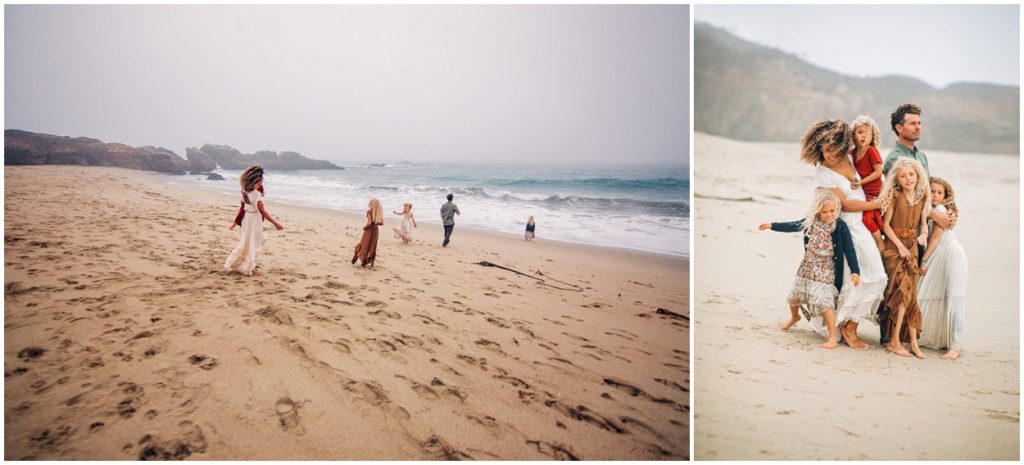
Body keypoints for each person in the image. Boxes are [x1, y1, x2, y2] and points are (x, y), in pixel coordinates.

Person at [803, 119, 887, 349]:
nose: (830, 154)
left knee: (870, 276)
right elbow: (847, 204)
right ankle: (848, 330)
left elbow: (872, 175)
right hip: (848, 228)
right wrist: (880, 204)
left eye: (834, 148)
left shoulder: (850, 157)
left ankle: (849, 326)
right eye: (825, 149)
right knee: (865, 276)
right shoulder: (822, 172)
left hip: (863, 225)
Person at [878, 103, 953, 344]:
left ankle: (904, 335)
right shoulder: (894, 159)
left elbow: (926, 194)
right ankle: (888, 337)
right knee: (896, 283)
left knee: (913, 283)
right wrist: (935, 216)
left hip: (920, 230)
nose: (918, 127)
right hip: (899, 229)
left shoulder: (921, 156)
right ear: (899, 128)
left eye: (920, 123)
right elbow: (904, 195)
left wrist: (944, 213)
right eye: (913, 123)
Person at [759, 189, 860, 349]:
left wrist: (855, 271)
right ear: (817, 210)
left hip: (826, 268)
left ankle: (832, 337)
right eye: (824, 211)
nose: (828, 215)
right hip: (807, 265)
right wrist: (772, 225)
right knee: (795, 295)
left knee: (825, 301)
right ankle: (794, 317)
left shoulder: (840, 226)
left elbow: (849, 249)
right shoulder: (811, 221)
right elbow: (793, 226)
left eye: (832, 211)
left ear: (837, 209)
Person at [878, 158, 930, 359]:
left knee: (910, 295)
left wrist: (924, 234)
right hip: (895, 248)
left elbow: (923, 224)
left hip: (912, 249)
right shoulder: (895, 196)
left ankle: (913, 343)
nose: (908, 178)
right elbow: (886, 226)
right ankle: (894, 341)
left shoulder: (922, 198)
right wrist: (899, 246)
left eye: (911, 174)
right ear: (897, 180)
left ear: (917, 176)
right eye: (903, 175)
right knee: (900, 291)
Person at [917, 177, 967, 360]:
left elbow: (935, 239)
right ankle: (942, 340)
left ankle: (955, 346)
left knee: (953, 297)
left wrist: (923, 260)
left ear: (945, 196)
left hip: (950, 255)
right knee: (934, 295)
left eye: (940, 192)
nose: (936, 195)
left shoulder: (940, 210)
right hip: (940, 254)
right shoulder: (930, 210)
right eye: (933, 191)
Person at [224, 165, 283, 276]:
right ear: (258, 181)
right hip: (254, 219)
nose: (262, 181)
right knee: (255, 242)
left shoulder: (245, 192)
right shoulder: (256, 194)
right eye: (261, 179)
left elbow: (245, 205)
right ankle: (248, 269)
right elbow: (263, 212)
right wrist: (276, 223)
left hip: (247, 218)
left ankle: (239, 263)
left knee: (248, 242)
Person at [849, 115, 885, 251]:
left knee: (866, 219)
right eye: (860, 132)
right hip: (861, 192)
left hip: (874, 192)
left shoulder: (871, 151)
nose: (864, 136)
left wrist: (861, 182)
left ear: (873, 136)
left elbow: (878, 172)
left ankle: (879, 241)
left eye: (868, 133)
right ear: (853, 135)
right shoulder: (853, 152)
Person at [352, 198, 384, 268]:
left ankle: (363, 261)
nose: (368, 204)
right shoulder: (379, 212)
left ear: (372, 204)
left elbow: (369, 223)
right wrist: (375, 223)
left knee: (364, 244)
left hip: (369, 231)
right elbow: (382, 223)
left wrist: (364, 227)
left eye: (369, 203)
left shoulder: (369, 212)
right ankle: (371, 261)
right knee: (372, 245)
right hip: (375, 231)